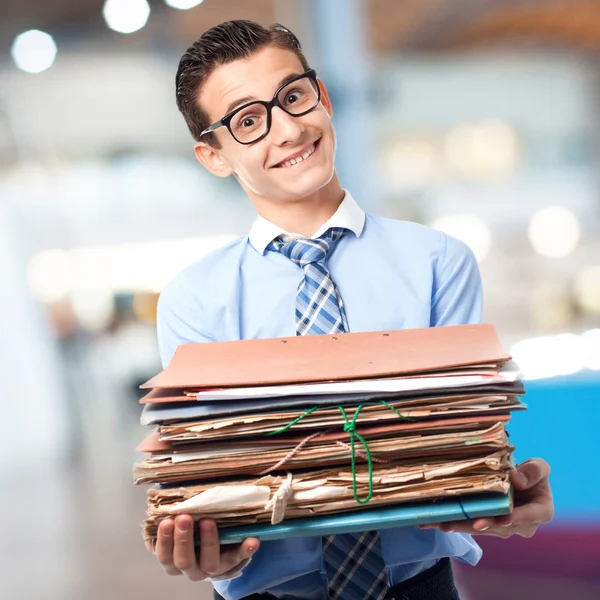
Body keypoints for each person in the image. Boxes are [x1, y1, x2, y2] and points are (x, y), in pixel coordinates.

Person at [148, 19, 554, 600]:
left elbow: (465, 443)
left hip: (421, 589)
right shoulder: (195, 299)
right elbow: (213, 485)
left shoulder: (438, 261)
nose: (288, 128)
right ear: (213, 156)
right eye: (248, 120)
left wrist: (496, 495)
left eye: (293, 96)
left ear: (325, 97)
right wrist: (209, 551)